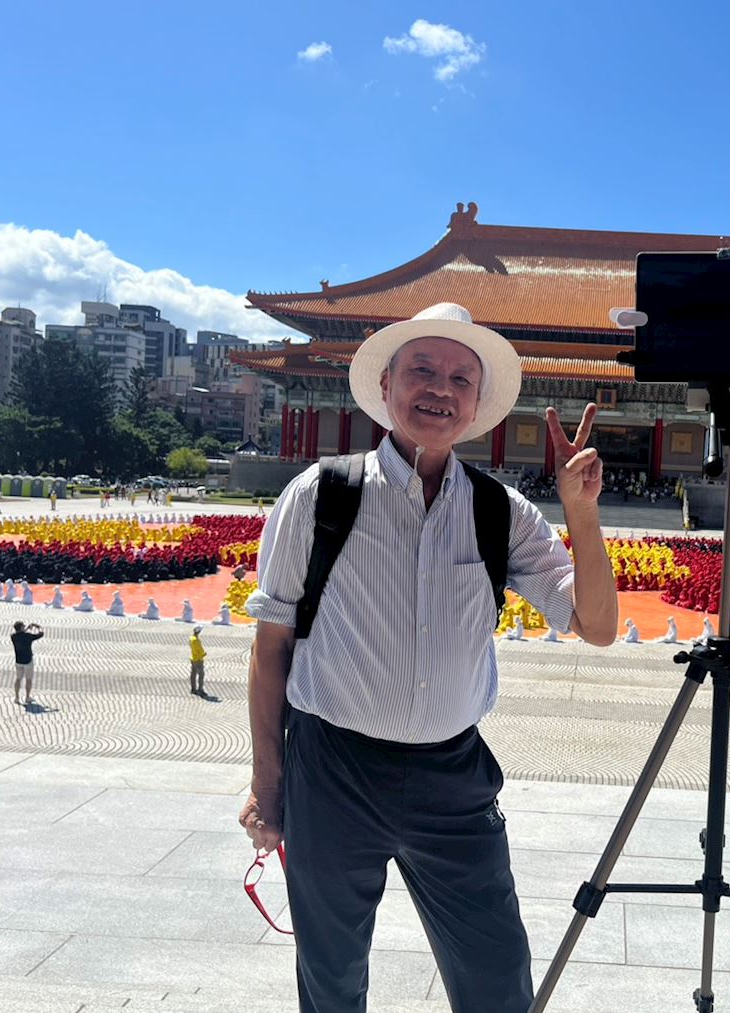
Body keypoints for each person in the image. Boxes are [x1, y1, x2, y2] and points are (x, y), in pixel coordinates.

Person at [238, 303, 618, 1013]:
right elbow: (272, 649)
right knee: (330, 975)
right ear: (386, 385)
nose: (440, 389)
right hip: (334, 769)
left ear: (477, 405)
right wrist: (268, 783)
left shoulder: (500, 512)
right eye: (422, 369)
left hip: (453, 777)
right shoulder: (321, 495)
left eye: (460, 378)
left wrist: (582, 512)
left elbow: (596, 626)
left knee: (497, 976)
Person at [10, 621, 43, 705]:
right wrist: (38, 627)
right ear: (21, 627)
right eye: (23, 626)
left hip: (18, 661)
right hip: (28, 661)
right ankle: (27, 697)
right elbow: (40, 634)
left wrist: (27, 628)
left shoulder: (13, 636)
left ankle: (17, 697)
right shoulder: (28, 636)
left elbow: (20, 634)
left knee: (18, 679)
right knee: (28, 679)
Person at [189, 625, 207, 695]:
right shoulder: (196, 640)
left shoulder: (191, 638)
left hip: (193, 658)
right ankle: (200, 689)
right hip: (198, 659)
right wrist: (204, 653)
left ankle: (193, 688)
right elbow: (201, 650)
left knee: (193, 674)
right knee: (201, 675)